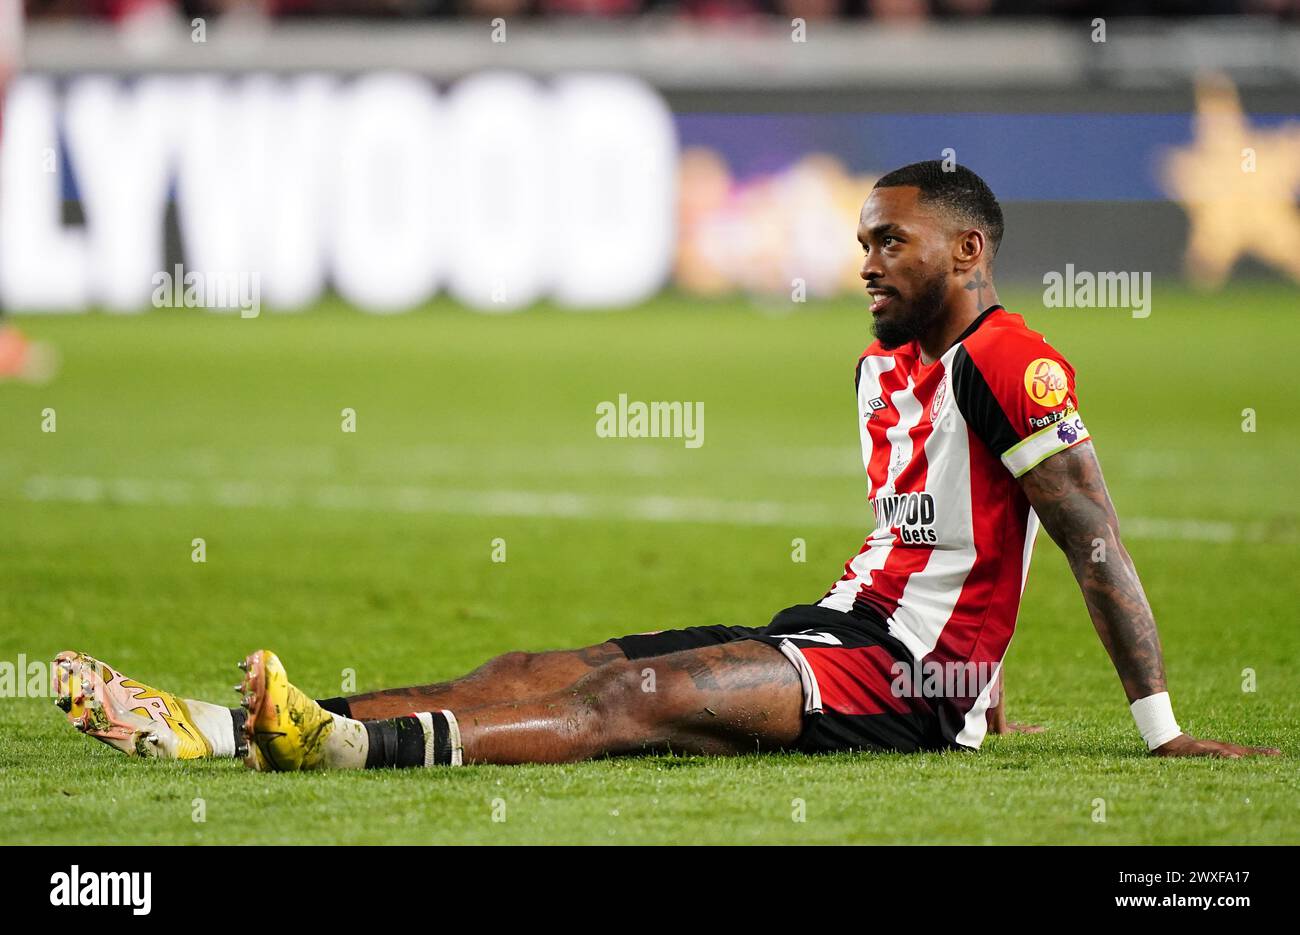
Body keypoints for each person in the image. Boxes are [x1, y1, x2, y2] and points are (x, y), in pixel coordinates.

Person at [54, 160, 1279, 769]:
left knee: (633, 704)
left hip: (906, 677)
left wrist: (1155, 729)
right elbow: (940, 537)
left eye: (888, 243)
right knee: (545, 663)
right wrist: (987, 658)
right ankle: (226, 728)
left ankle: (348, 752)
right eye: (861, 243)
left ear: (968, 249)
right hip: (852, 630)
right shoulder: (878, 364)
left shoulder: (1016, 362)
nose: (863, 262)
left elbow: (1090, 539)